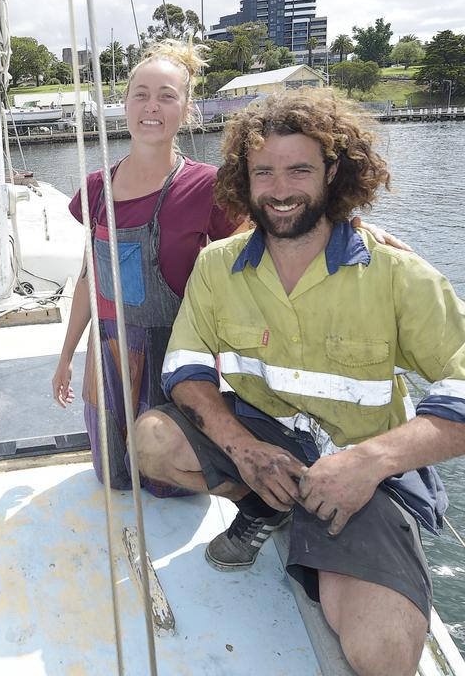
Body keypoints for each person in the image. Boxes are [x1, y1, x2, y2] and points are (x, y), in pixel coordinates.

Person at [134, 88, 465, 676]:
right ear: (245, 178)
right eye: (264, 172)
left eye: (299, 170)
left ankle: (319, 524)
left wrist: (368, 463)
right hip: (264, 438)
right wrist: (245, 448)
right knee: (152, 441)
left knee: (382, 652)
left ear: (333, 172)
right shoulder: (219, 266)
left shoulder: (394, 273)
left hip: (365, 466)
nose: (280, 190)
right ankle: (269, 503)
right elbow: (184, 369)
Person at [52, 40, 239, 493]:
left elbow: (259, 255)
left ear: (187, 109)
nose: (151, 106)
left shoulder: (207, 186)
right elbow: (87, 279)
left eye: (167, 95)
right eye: (141, 93)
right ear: (125, 102)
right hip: (109, 357)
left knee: (169, 483)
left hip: (176, 358)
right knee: (113, 477)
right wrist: (65, 358)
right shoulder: (97, 187)